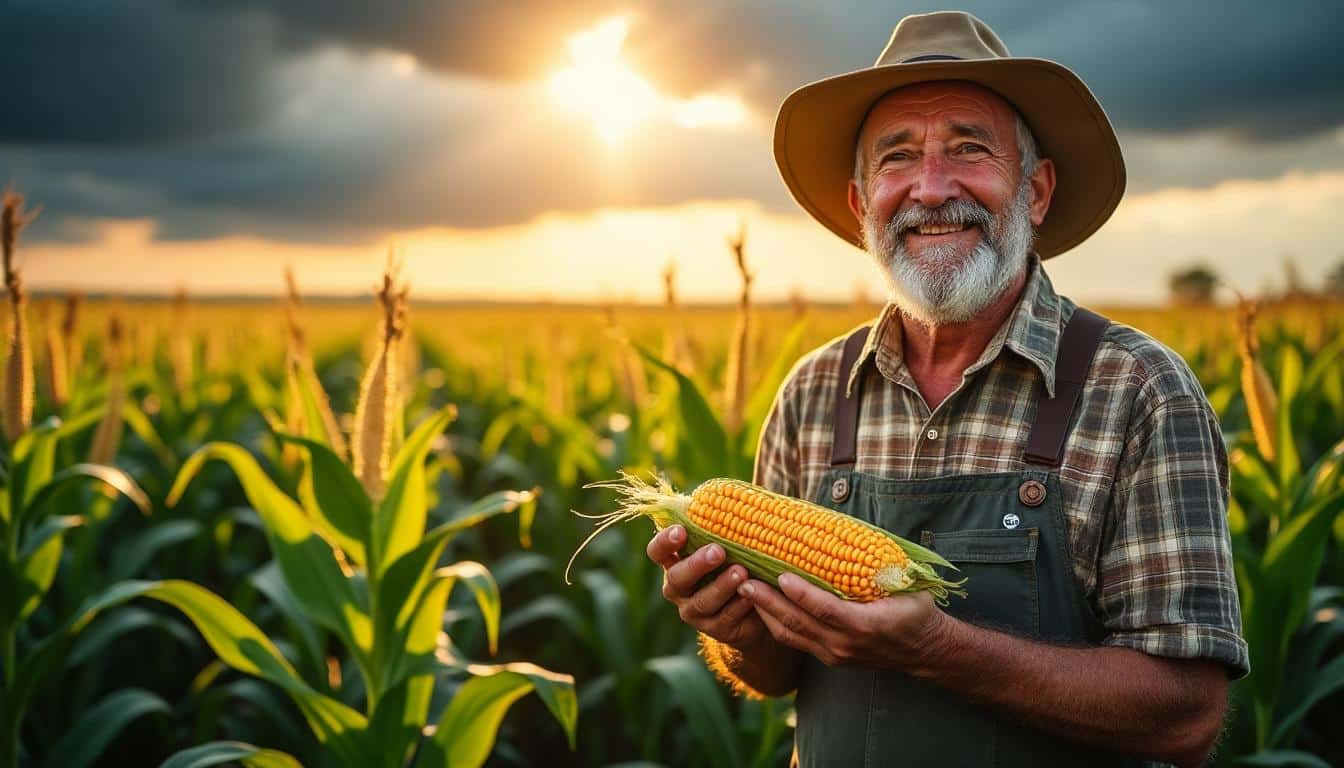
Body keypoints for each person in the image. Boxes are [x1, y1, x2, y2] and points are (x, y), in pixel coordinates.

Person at [644, 11, 1249, 768]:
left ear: (1035, 191)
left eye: (969, 148)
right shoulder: (812, 392)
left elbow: (1186, 715)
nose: (931, 190)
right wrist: (733, 630)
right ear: (862, 206)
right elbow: (774, 674)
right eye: (897, 158)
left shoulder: (1140, 391)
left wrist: (937, 649)